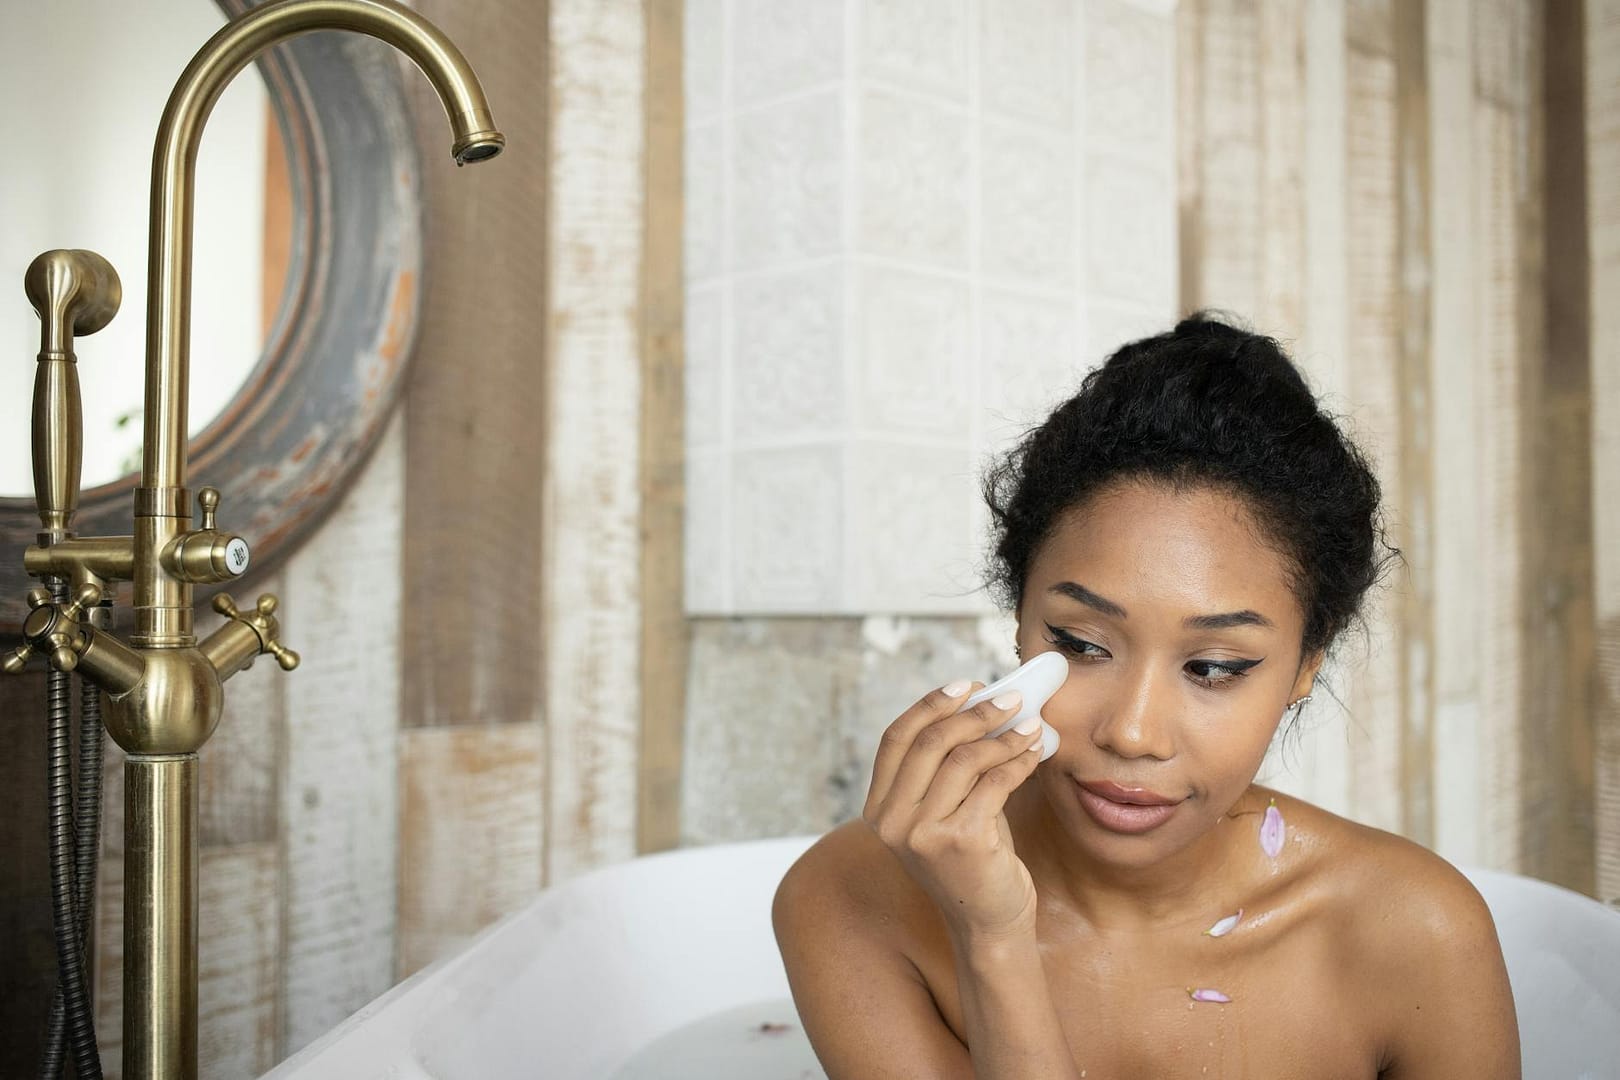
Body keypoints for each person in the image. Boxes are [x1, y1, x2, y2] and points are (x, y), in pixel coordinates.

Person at [772, 313, 1520, 1078]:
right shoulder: (851, 899)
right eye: (1082, 645)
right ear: (1023, 626)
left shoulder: (1416, 936)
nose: (1132, 733)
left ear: (1304, 667)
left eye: (1216, 666)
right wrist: (993, 937)